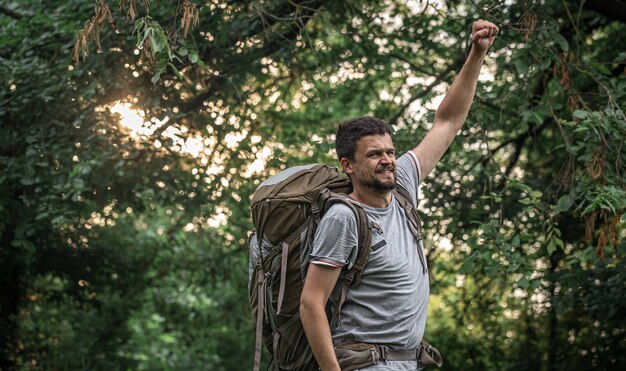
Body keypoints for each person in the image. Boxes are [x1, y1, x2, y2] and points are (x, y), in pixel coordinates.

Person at [299, 20, 499, 370]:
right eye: (374, 154)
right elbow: (311, 303)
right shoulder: (345, 218)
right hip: (367, 364)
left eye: (389, 151)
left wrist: (477, 53)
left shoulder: (404, 184)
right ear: (348, 165)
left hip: (408, 362)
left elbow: (447, 122)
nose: (387, 160)